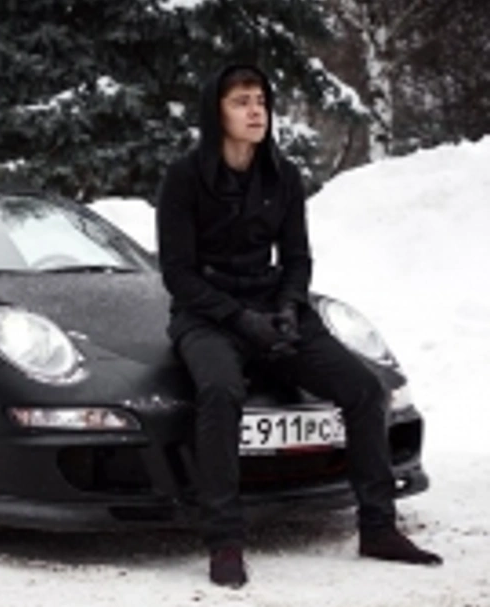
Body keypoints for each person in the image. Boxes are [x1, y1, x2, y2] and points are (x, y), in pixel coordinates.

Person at [155, 64, 442, 589]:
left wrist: (287, 310)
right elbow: (178, 274)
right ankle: (225, 541)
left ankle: (378, 528)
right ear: (216, 113)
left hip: (273, 306)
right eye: (241, 101)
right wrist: (241, 320)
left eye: (261, 100)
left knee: (363, 390)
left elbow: (297, 259)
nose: (255, 111)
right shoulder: (184, 177)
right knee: (219, 392)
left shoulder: (282, 175)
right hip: (208, 315)